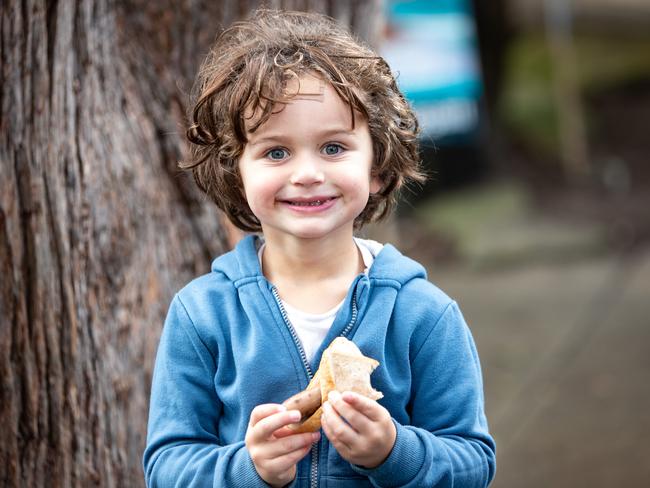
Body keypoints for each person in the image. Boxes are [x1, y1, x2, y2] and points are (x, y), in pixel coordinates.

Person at [143, 9, 496, 488]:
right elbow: (166, 466)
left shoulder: (423, 314)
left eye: (333, 147)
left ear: (377, 166)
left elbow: (473, 461)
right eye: (275, 152)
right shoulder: (202, 314)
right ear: (236, 171)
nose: (307, 173)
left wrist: (394, 452)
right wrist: (248, 469)